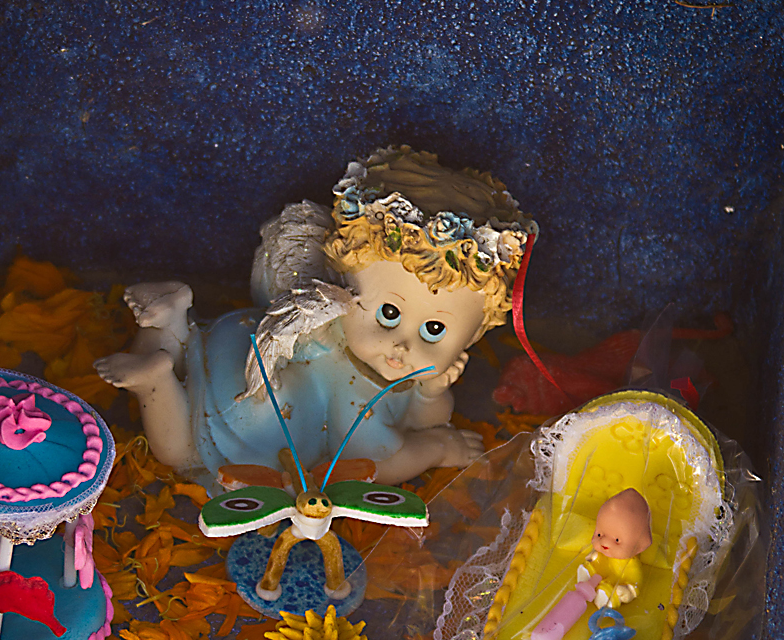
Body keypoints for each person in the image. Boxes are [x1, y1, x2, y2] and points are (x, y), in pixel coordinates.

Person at [95, 146, 536, 483]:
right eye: (387, 313)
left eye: (434, 329)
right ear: (343, 280)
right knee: (182, 452)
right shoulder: (356, 404)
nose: (403, 345)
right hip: (248, 412)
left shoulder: (363, 346)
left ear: (473, 335)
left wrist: (429, 393)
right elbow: (376, 464)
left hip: (237, 340)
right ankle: (155, 382)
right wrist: (437, 449)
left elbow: (420, 418)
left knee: (193, 351)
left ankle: (170, 323)